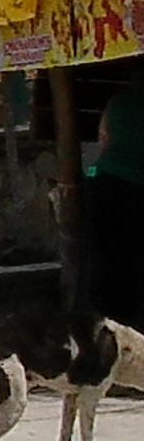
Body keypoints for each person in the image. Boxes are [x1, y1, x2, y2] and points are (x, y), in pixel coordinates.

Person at [87, 73, 144, 329]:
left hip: (105, 183)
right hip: (138, 186)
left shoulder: (117, 103)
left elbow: (103, 140)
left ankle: (107, 320)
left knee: (107, 257)